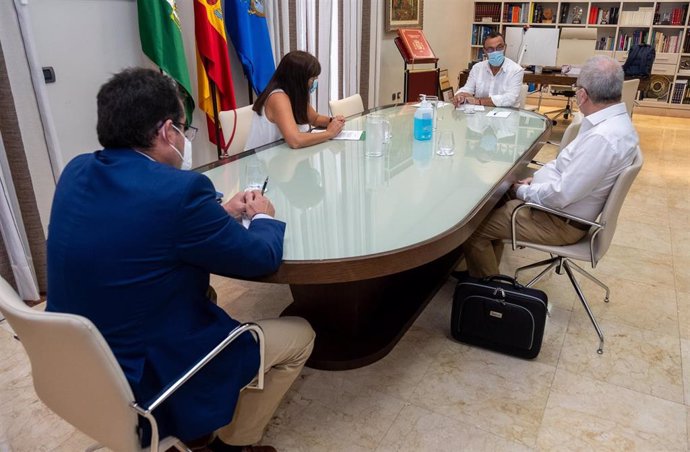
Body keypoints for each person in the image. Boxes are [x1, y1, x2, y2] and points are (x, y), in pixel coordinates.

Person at [46, 68, 315, 452]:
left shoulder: (76, 170)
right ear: (166, 131)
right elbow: (261, 258)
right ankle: (234, 444)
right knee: (301, 335)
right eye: (184, 131)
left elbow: (139, 231)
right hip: (148, 381)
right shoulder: (179, 192)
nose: (184, 141)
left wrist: (217, 213)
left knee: (204, 297)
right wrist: (264, 217)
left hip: (80, 371)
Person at [460, 55, 639, 278]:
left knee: (472, 231)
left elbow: (561, 195)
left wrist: (523, 190)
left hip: (559, 221)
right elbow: (567, 166)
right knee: (493, 203)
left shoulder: (602, 139)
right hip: (561, 210)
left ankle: (488, 294)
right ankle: (484, 267)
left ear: (582, 95)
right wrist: (534, 181)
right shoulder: (612, 124)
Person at [245, 50, 346, 150]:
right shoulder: (278, 98)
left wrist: (332, 121)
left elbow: (315, 119)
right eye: (312, 78)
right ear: (298, 79)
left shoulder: (294, 94)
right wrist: (329, 133)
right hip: (260, 160)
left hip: (280, 156)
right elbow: (295, 141)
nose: (314, 82)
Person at [452, 32, 524, 108]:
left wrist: (478, 101)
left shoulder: (516, 70)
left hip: (507, 114)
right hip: (481, 114)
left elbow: (510, 99)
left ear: (505, 47)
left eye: (499, 47)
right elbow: (468, 89)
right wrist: (460, 95)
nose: (495, 52)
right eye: (490, 49)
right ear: (484, 51)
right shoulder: (477, 68)